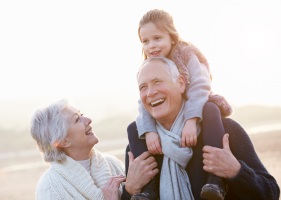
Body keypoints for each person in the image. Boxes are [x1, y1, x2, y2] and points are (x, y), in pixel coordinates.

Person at [124, 57, 280, 200]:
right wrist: (129, 191)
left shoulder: (225, 131)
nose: (150, 92)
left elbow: (271, 193)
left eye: (157, 82)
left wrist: (236, 172)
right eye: (143, 87)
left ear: (181, 83)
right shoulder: (138, 148)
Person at [129, 9, 232, 200]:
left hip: (197, 104)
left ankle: (217, 180)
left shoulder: (186, 54)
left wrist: (191, 120)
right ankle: (149, 189)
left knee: (210, 109)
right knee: (134, 128)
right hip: (168, 117)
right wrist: (150, 131)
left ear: (172, 36)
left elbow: (201, 85)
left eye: (157, 38)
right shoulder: (147, 67)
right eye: (145, 41)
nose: (151, 46)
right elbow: (144, 102)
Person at [30, 99, 159, 200]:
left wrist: (130, 191)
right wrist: (129, 190)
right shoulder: (50, 186)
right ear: (62, 141)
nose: (88, 120)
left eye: (82, 115)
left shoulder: (112, 163)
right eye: (77, 119)